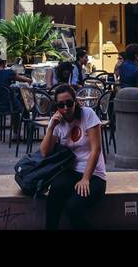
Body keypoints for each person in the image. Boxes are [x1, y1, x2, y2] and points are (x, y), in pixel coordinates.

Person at [40, 83, 107, 229]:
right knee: (55, 192)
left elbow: (96, 149)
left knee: (73, 208)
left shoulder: (87, 114)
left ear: (75, 102)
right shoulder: (57, 121)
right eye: (61, 105)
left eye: (69, 103)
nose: (65, 108)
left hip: (94, 175)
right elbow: (44, 152)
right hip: (70, 172)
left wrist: (85, 178)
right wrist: (51, 127)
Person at [0, 56, 31, 129]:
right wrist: (29, 80)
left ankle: (16, 130)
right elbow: (21, 79)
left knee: (17, 101)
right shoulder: (8, 73)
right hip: (9, 104)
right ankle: (24, 129)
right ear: (4, 63)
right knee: (24, 104)